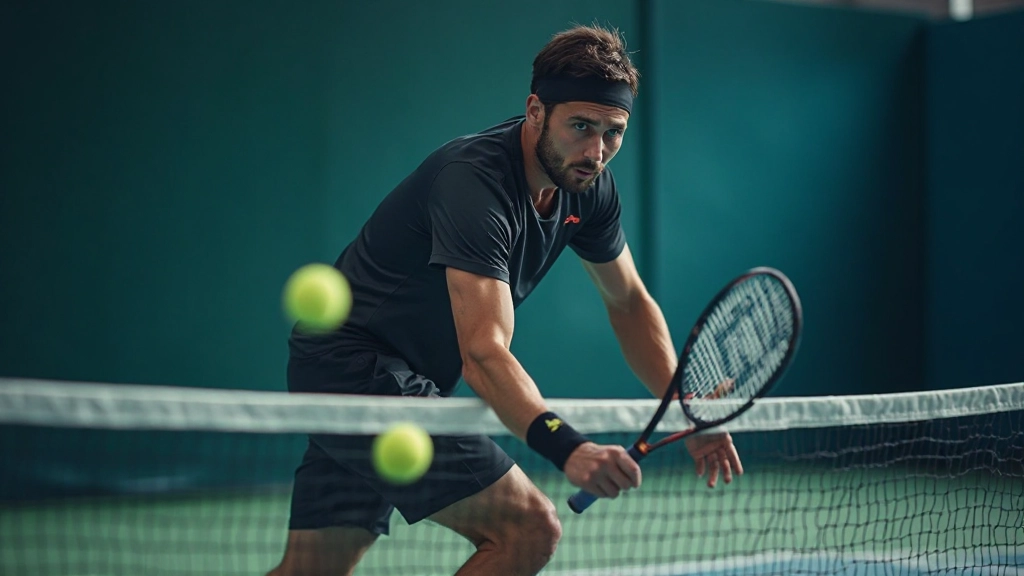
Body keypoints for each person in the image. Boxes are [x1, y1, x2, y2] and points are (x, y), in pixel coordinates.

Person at [268, 23, 743, 576]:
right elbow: (484, 354)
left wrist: (686, 406)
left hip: (378, 377)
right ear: (536, 110)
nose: (596, 151)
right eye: (581, 127)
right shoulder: (474, 182)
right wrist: (568, 448)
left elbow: (629, 302)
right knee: (528, 529)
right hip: (356, 371)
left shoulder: (588, 188)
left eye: (614, 132)